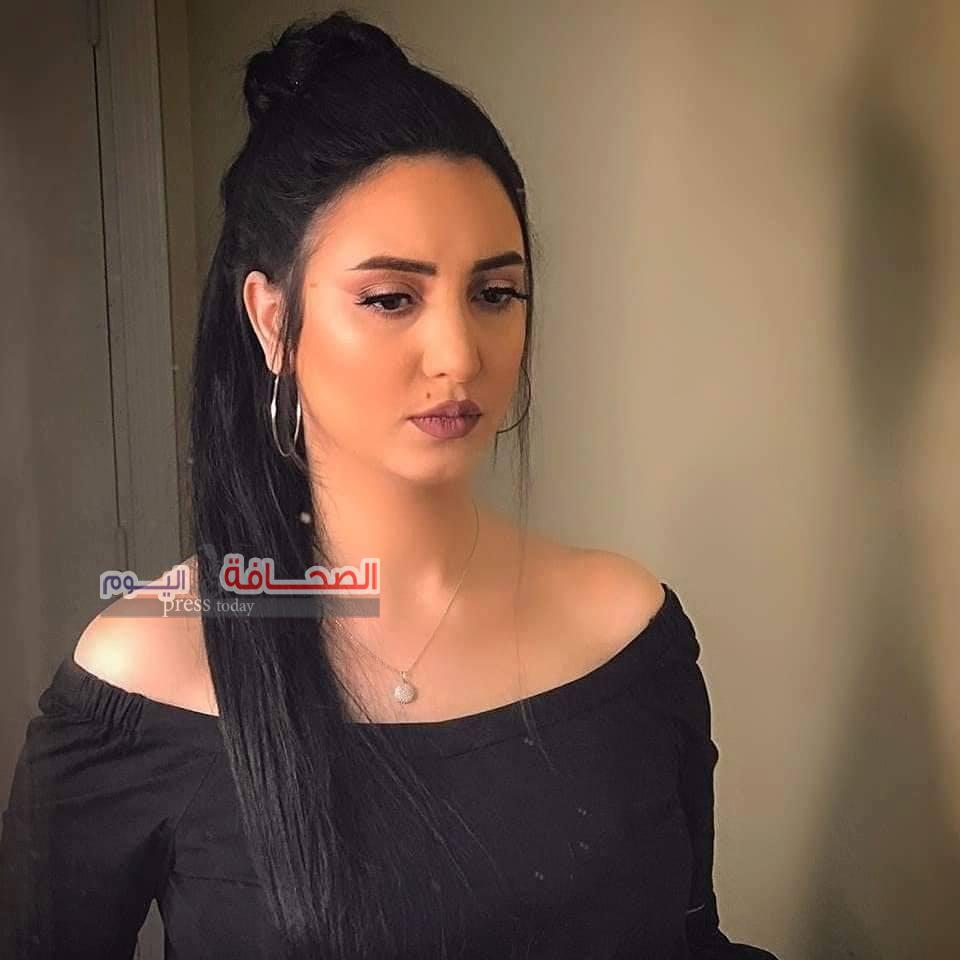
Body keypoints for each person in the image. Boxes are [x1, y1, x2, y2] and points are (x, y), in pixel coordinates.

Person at [0, 10, 779, 959]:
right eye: (390, 298)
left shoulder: (627, 628)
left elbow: (693, 940)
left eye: (494, 294)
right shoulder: (152, 669)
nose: (459, 355)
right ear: (273, 321)